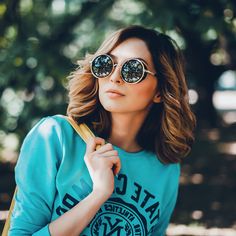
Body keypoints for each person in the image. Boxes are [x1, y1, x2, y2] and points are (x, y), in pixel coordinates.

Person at [9, 25, 196, 236]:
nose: (114, 77)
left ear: (160, 92)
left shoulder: (165, 167)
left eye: (133, 69)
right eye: (106, 64)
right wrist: (98, 194)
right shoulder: (55, 137)